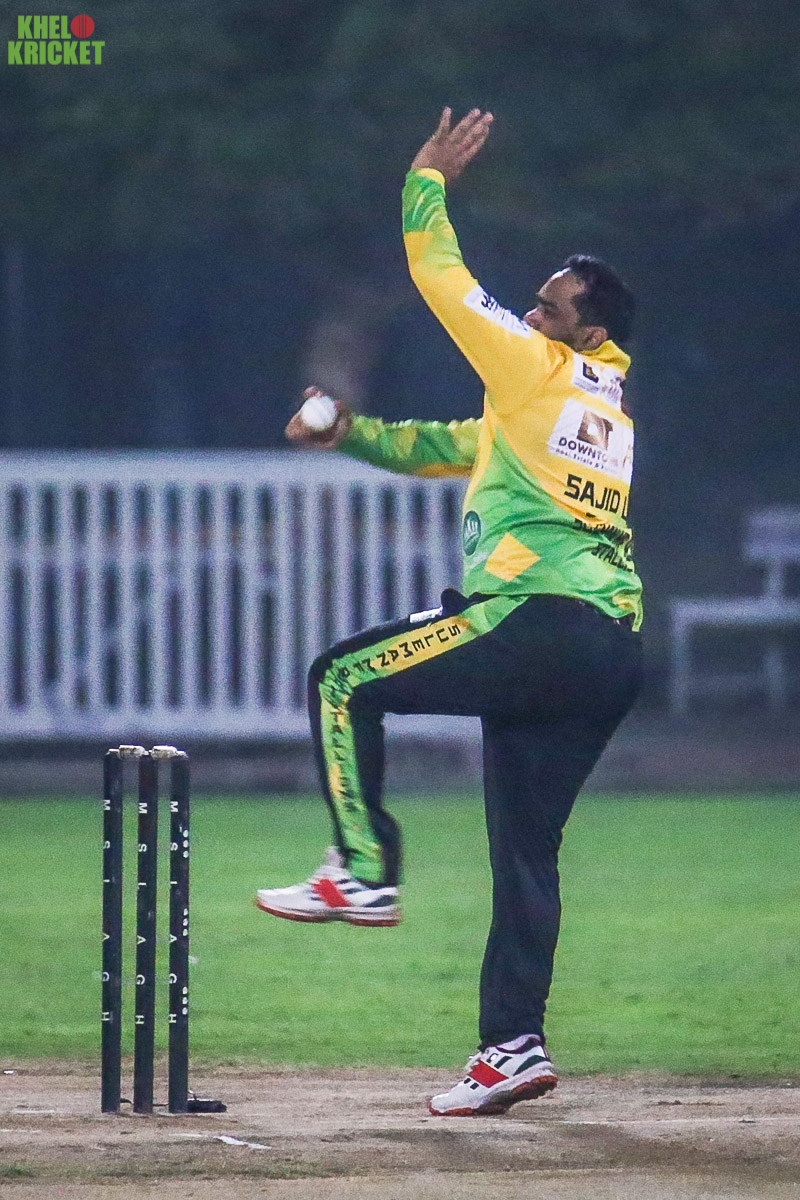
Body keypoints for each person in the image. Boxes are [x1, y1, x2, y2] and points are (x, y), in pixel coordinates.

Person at [256, 108, 644, 1117]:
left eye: (547, 308)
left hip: (537, 621)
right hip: (607, 651)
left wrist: (423, 179)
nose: (529, 315)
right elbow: (442, 447)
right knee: (525, 854)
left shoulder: (535, 367)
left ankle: (363, 868)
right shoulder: (595, 406)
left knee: (341, 678)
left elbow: (439, 274)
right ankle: (511, 1047)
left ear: (587, 331)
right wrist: (348, 432)